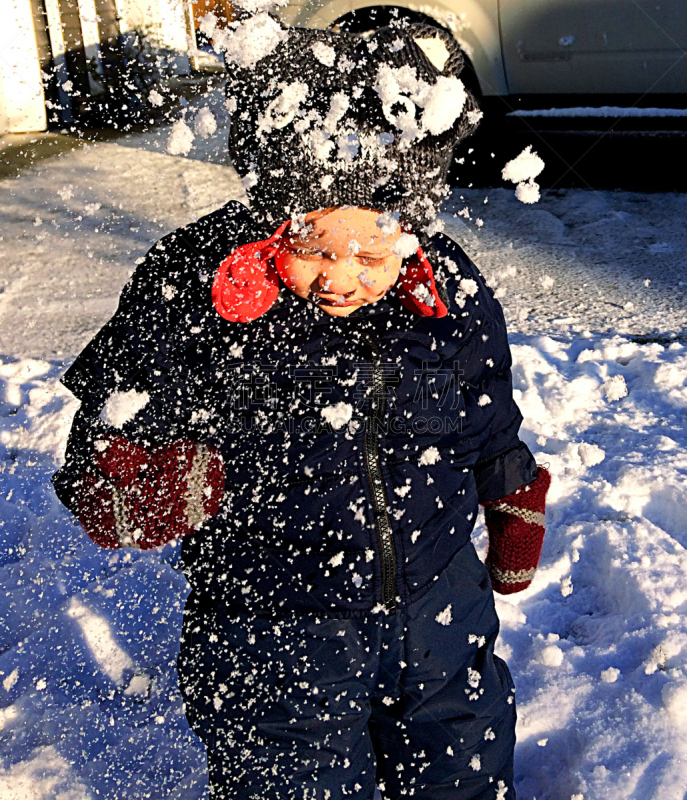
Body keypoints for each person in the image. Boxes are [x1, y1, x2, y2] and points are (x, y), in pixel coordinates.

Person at [53, 14, 551, 800]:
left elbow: (483, 399)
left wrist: (508, 484)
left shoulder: (445, 282)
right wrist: (123, 477)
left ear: (411, 230)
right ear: (275, 217)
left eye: (373, 252)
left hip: (437, 602)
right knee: (292, 779)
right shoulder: (195, 286)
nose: (342, 278)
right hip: (271, 624)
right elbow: (115, 410)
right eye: (313, 247)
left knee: (461, 767)